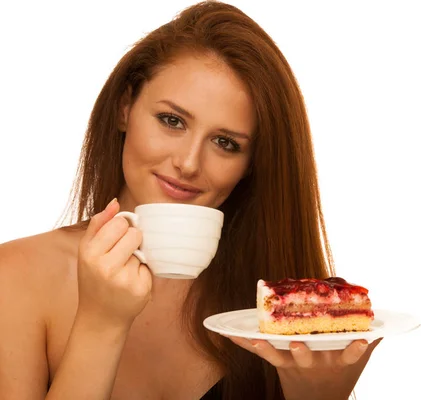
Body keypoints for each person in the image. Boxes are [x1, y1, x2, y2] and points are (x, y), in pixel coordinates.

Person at [0, 1, 381, 399]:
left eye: (225, 143)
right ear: (125, 107)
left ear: (252, 164)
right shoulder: (16, 277)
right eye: (172, 120)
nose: (187, 163)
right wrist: (101, 323)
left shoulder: (276, 301)